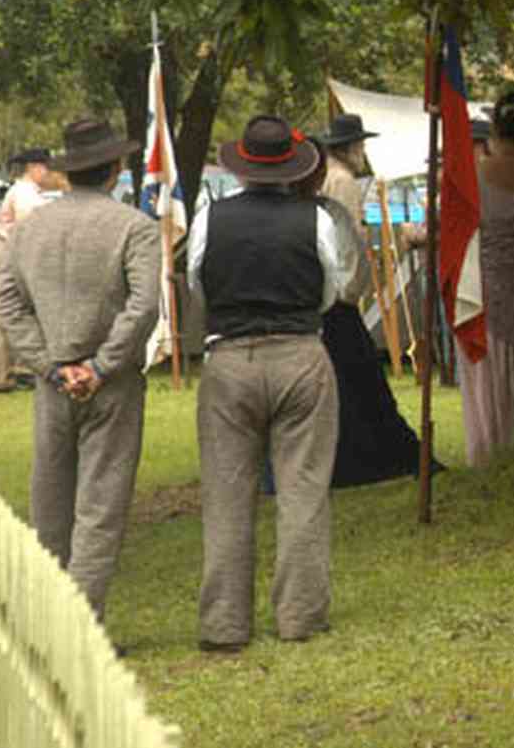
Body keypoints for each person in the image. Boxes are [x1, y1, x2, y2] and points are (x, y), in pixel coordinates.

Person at [187, 115, 350, 652]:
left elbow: (197, 281)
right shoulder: (316, 220)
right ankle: (300, 613)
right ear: (290, 166)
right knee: (303, 488)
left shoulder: (211, 218)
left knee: (226, 492)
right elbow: (330, 288)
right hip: (300, 351)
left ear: (244, 165)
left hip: (229, 357)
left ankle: (224, 623)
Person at [0, 120, 160, 624]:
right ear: (113, 169)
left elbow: (8, 303)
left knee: (50, 505)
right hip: (110, 382)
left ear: (70, 172)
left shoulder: (30, 229)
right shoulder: (134, 227)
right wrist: (101, 365)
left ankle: (49, 620)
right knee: (100, 507)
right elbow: (143, 306)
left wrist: (48, 365)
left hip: (53, 382)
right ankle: (80, 626)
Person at [307, 117, 427, 487]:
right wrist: (352, 284)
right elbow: (344, 238)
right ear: (352, 147)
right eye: (360, 146)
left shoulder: (332, 177)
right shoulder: (342, 181)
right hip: (337, 295)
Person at [459, 90, 514, 466]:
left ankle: (488, 449)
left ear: (495, 132)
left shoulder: (476, 178)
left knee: (487, 378)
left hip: (481, 291)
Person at [0, 147, 53, 392]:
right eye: (46, 167)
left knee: (16, 312)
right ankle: (3, 375)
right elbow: (29, 229)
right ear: (33, 167)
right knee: (7, 314)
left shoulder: (26, 191)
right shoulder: (25, 193)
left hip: (11, 253)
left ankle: (19, 369)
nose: (48, 173)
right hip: (11, 254)